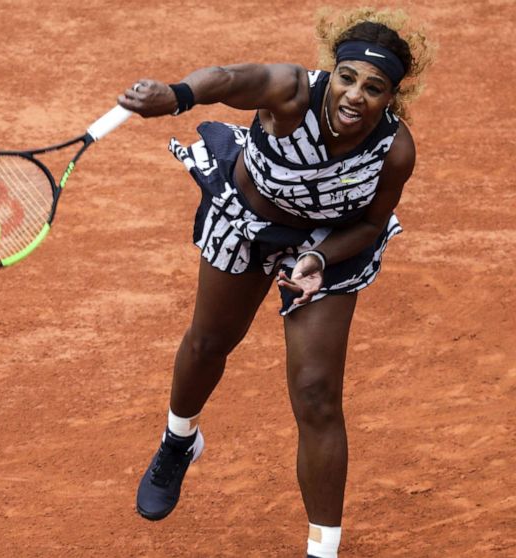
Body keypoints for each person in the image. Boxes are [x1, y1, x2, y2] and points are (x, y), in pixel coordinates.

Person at [116, 8, 433, 558]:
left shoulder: (395, 150)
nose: (356, 94)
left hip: (330, 246)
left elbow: (370, 224)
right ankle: (179, 441)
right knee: (209, 343)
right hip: (245, 221)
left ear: (393, 99)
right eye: (348, 76)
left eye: (375, 87)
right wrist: (178, 94)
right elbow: (230, 78)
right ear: (330, 72)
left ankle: (322, 551)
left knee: (317, 394)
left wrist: (316, 257)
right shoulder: (290, 92)